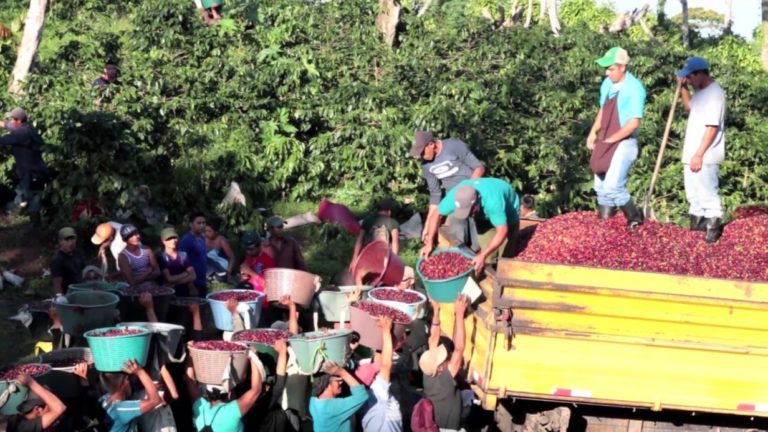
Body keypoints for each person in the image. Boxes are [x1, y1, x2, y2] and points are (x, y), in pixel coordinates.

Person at [587, 47, 646, 230]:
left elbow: (634, 122)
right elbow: (603, 110)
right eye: (606, 69)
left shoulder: (634, 88)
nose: (607, 72)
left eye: (611, 69)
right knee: (600, 187)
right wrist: (593, 132)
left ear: (622, 67)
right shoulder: (607, 84)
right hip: (605, 138)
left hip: (624, 142)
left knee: (613, 186)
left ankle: (635, 219)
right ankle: (606, 225)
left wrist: (612, 140)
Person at [421, 178, 520, 274]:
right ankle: (489, 271)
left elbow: (502, 231)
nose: (468, 215)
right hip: (483, 214)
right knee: (487, 251)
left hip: (509, 211)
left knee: (505, 255)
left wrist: (483, 255)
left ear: (477, 200)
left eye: (470, 211)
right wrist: (429, 243)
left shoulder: (493, 201)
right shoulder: (456, 197)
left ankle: (504, 273)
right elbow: (436, 214)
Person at [676, 56, 726, 243]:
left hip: (705, 155)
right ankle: (697, 231)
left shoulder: (715, 94)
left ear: (700, 74)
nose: (688, 80)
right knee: (693, 196)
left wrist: (699, 154)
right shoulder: (700, 92)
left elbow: (712, 127)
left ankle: (713, 232)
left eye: (689, 77)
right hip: (692, 154)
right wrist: (683, 88)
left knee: (707, 195)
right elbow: (689, 108)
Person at [410, 131, 485, 249]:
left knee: (478, 239)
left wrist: (468, 190)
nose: (422, 156)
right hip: (453, 197)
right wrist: (427, 226)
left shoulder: (454, 146)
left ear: (431, 145)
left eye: (423, 152)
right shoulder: (426, 165)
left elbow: (479, 168)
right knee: (458, 234)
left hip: (472, 190)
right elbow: (435, 195)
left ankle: (480, 253)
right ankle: (461, 255)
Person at [419, 295, 469, 431]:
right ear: (440, 368)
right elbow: (459, 349)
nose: (447, 358)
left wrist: (436, 310)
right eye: (444, 359)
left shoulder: (428, 371)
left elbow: (432, 340)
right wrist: (459, 314)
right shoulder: (444, 381)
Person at [186, 347, 265, 432]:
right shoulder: (232, 411)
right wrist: (254, 356)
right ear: (229, 394)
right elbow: (256, 390)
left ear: (207, 392)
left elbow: (190, 381)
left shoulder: (200, 407)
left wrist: (190, 353)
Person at [0, 107, 48, 225]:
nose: (11, 121)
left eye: (12, 119)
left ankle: (12, 220)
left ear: (19, 121)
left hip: (31, 173)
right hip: (36, 171)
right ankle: (34, 226)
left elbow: (3, 140)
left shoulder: (22, 133)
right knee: (33, 199)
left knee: (22, 197)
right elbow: (7, 125)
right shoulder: (26, 127)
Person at [361, 316, 403, 432]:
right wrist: (386, 330)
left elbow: (381, 363)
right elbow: (386, 364)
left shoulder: (365, 398)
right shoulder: (379, 392)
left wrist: (381, 336)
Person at [99, 359, 162, 432]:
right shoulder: (120, 409)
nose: (129, 382)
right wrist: (140, 372)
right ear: (121, 386)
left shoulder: (104, 399)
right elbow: (155, 401)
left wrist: (149, 386)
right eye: (127, 379)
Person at [309, 362, 369, 432]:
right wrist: (342, 373)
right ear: (327, 383)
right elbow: (362, 395)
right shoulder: (333, 406)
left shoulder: (313, 400)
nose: (341, 382)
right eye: (338, 381)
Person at [351, 198, 400, 267]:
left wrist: (354, 259)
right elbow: (395, 243)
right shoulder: (393, 223)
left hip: (366, 256)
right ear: (389, 212)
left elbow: (359, 241)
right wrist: (394, 261)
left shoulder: (367, 220)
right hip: (384, 258)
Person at [157, 226, 197, 297]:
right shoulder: (162, 257)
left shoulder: (183, 255)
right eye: (169, 239)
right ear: (163, 241)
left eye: (174, 238)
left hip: (185, 292)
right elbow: (169, 279)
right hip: (169, 295)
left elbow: (193, 276)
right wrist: (185, 273)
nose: (173, 241)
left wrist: (175, 283)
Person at [179, 211, 208, 296]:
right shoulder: (186, 240)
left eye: (203, 223)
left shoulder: (202, 238)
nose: (202, 225)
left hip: (202, 281)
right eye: (199, 223)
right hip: (192, 284)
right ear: (191, 224)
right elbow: (182, 264)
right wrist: (191, 286)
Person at [51, 226, 86, 295]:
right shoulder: (57, 260)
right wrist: (60, 297)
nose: (70, 243)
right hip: (68, 295)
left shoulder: (78, 253)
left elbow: (84, 272)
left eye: (72, 239)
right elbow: (57, 284)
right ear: (60, 242)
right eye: (67, 240)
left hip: (82, 291)